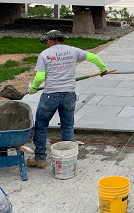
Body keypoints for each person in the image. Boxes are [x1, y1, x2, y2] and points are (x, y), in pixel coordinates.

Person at [27, 30, 108, 168]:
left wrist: (33, 88)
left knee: (41, 126)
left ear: (51, 41)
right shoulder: (73, 51)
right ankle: (68, 159)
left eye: (47, 42)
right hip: (69, 95)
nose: (47, 45)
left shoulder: (45, 54)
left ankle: (40, 158)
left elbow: (40, 77)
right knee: (67, 126)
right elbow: (93, 57)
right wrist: (103, 69)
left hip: (50, 95)